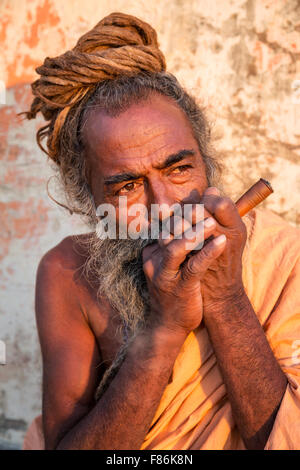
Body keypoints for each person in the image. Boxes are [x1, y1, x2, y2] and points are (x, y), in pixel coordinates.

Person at [22, 12, 300, 450]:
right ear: (86, 197)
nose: (166, 205)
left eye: (179, 168)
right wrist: (164, 327)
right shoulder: (66, 272)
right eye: (127, 186)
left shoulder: (282, 255)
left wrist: (225, 298)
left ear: (206, 161)